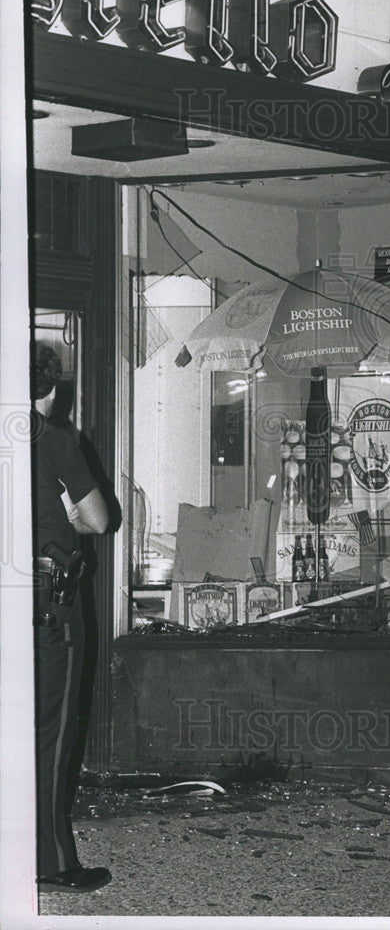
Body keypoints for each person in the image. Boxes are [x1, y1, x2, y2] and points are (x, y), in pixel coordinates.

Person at [31, 344, 112, 893]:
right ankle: (52, 862)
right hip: (48, 603)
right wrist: (70, 516)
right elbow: (101, 521)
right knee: (50, 735)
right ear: (52, 389)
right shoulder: (56, 441)